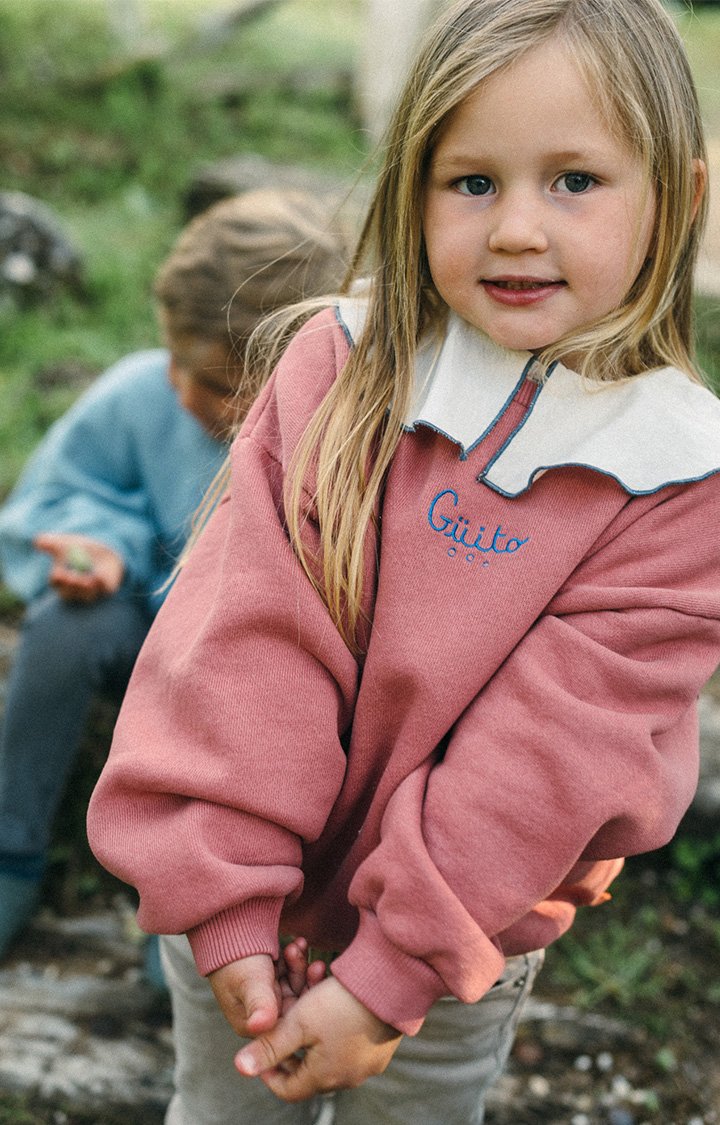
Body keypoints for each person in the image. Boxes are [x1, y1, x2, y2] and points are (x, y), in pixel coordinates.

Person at [87, 0, 720, 1121]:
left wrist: (390, 977)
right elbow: (242, 641)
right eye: (470, 182)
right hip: (244, 907)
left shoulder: (681, 477)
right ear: (410, 188)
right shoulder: (338, 364)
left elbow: (549, 760)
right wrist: (228, 902)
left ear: (683, 196)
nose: (518, 228)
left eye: (575, 180)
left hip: (454, 952)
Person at [0, 189, 347, 961]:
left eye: (224, 385)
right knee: (64, 628)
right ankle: (12, 848)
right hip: (138, 630)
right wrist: (103, 546)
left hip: (251, 687)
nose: (187, 391)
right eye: (176, 362)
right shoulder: (137, 398)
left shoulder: (338, 446)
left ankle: (206, 920)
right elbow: (54, 497)